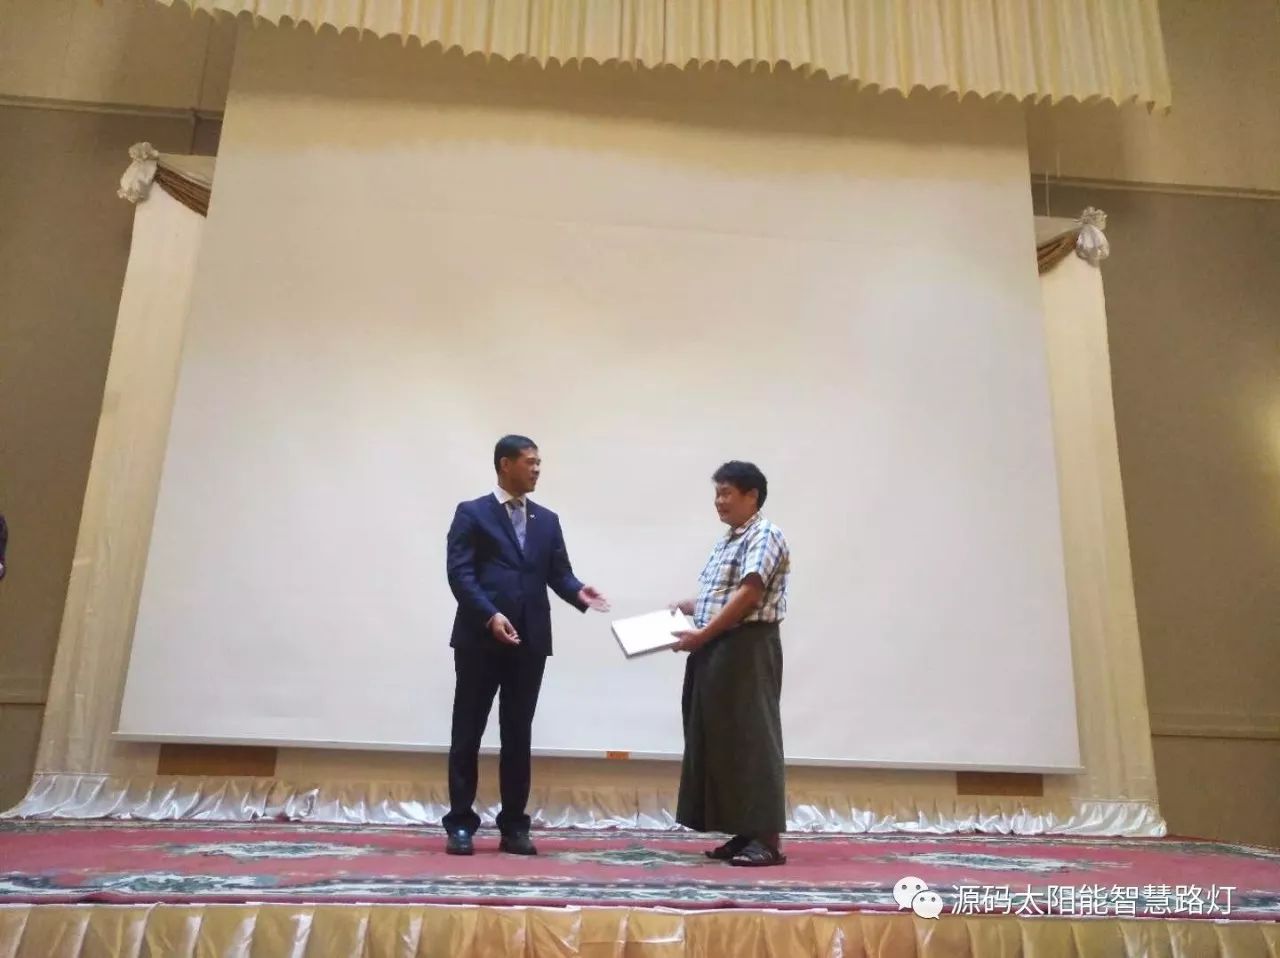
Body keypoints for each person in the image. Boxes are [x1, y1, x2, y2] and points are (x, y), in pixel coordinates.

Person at [443, 435, 609, 856]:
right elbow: (460, 574)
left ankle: (514, 826)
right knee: (467, 732)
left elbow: (559, 573)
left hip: (529, 641)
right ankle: (460, 823)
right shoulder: (472, 513)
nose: (537, 469)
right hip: (480, 639)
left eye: (539, 462)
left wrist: (578, 592)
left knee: (518, 735)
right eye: (530, 462)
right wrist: (490, 615)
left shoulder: (546, 520)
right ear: (505, 464)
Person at [670, 460, 791, 867]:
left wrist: (703, 634)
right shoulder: (728, 540)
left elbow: (749, 595)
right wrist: (692, 607)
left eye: (726, 493)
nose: (719, 501)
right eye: (717, 494)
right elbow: (725, 593)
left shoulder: (764, 534)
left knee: (752, 739)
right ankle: (744, 829)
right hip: (720, 646)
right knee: (724, 740)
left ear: (751, 496)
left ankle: (768, 839)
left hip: (746, 647)